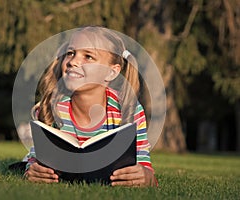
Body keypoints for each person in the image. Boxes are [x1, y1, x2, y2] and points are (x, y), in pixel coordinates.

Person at [24, 26, 157, 187]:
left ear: (111, 72)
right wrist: (32, 170)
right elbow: (35, 160)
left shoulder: (129, 109)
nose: (73, 61)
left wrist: (145, 176)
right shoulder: (51, 107)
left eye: (88, 56)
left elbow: (145, 166)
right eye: (71, 53)